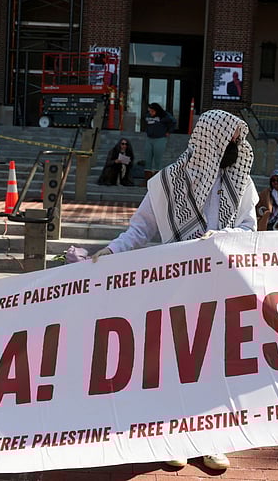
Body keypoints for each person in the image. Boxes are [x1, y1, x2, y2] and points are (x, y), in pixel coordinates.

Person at [92, 109, 258, 471]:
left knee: (217, 365)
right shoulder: (167, 183)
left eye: (238, 143)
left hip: (221, 286)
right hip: (176, 288)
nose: (237, 148)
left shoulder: (242, 183)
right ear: (210, 141)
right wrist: (110, 251)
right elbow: (140, 230)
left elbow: (250, 229)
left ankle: (210, 438)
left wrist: (225, 239)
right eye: (230, 141)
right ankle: (170, 436)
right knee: (173, 363)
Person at [143, 102, 176, 181]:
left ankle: (156, 179)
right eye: (149, 111)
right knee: (148, 158)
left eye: (152, 111)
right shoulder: (148, 116)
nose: (150, 113)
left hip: (160, 138)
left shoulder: (164, 116)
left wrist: (168, 131)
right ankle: (147, 179)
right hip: (149, 138)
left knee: (158, 158)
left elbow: (173, 122)